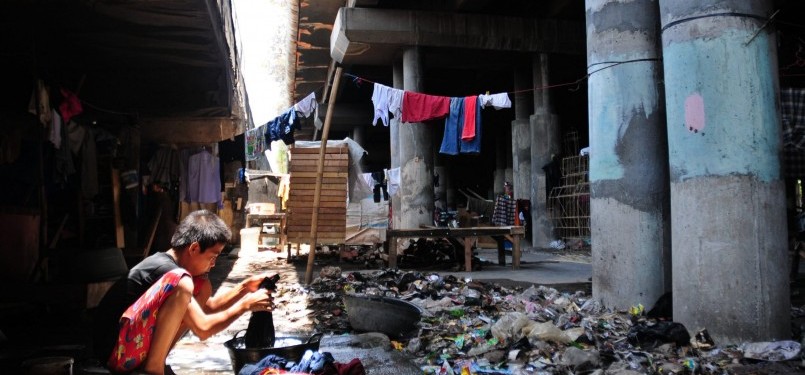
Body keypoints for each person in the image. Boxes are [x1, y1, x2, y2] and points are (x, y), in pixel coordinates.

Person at [94, 210, 275, 374]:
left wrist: (244, 288)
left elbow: (206, 307)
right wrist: (245, 306)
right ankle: (154, 368)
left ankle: (156, 362)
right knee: (185, 284)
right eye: (212, 257)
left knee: (202, 287)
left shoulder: (176, 272)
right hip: (115, 352)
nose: (213, 264)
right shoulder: (170, 274)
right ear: (194, 248)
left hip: (128, 346)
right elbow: (203, 328)